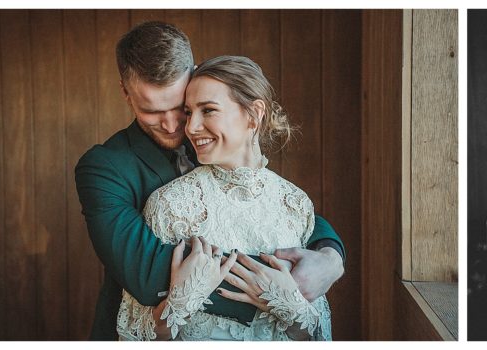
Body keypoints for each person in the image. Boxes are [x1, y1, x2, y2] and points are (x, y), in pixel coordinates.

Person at [76, 21, 344, 340]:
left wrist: (331, 255)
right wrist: (282, 288)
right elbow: (146, 274)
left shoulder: (213, 135)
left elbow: (275, 206)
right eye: (152, 111)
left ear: (194, 73)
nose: (175, 124)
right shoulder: (105, 166)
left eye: (180, 108)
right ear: (125, 92)